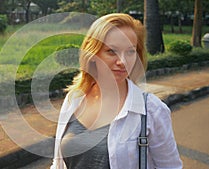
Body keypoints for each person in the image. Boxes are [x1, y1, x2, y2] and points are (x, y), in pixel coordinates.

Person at [50, 13, 182, 169]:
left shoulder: (152, 110)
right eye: (112, 51)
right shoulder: (75, 98)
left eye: (131, 52)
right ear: (93, 53)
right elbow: (58, 164)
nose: (123, 62)